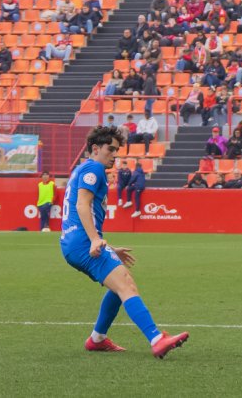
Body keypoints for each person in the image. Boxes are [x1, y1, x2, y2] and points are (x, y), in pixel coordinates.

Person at [59, 126, 188, 357]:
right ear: (95, 148)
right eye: (110, 149)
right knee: (126, 284)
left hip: (73, 243)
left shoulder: (82, 169)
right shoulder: (94, 168)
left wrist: (107, 247)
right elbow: (81, 205)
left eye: (116, 150)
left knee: (119, 285)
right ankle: (157, 339)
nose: (114, 154)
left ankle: (97, 339)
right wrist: (95, 240)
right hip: (82, 243)